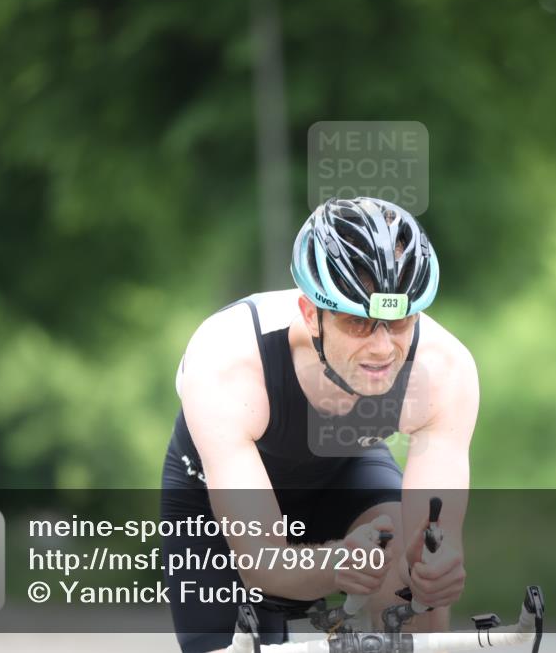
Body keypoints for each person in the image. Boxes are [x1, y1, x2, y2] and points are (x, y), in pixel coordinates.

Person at [161, 197, 478, 653]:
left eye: (399, 320)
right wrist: (336, 564)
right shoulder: (227, 360)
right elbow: (264, 565)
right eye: (358, 322)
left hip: (343, 468)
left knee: (413, 584)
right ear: (311, 314)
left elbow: (434, 549)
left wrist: (435, 570)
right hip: (212, 495)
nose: (382, 348)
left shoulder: (444, 369)